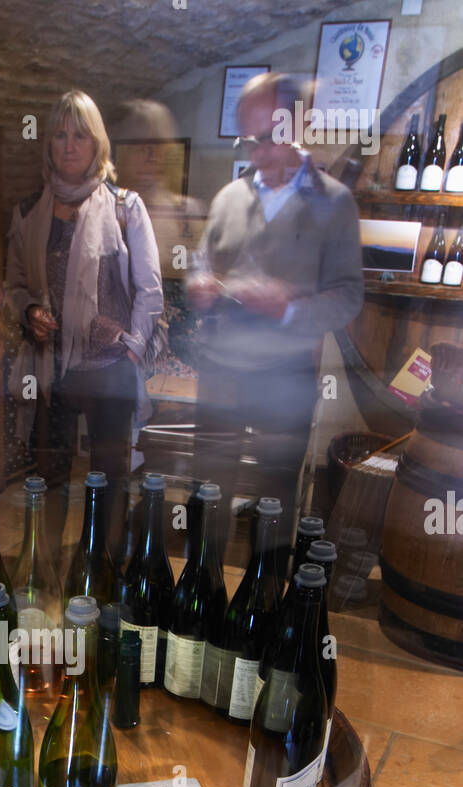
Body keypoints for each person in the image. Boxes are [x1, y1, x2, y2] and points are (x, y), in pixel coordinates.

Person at [189, 72, 364, 551]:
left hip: (287, 378)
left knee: (275, 502)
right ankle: (202, 599)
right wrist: (200, 287)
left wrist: (289, 309)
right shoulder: (229, 199)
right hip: (222, 372)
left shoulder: (335, 203)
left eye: (269, 138)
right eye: (249, 140)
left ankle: (264, 605)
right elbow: (202, 266)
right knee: (209, 494)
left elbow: (349, 296)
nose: (257, 153)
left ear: (300, 122)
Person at [5, 89, 163, 561]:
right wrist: (29, 311)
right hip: (52, 367)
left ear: (97, 144)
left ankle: (98, 569)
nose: (69, 145)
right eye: (59, 135)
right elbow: (13, 282)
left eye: (80, 135)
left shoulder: (124, 207)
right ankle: (46, 567)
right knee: (50, 475)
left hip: (108, 367)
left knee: (108, 478)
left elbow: (149, 289)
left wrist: (131, 350)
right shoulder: (30, 210)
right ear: (48, 145)